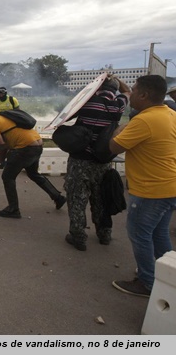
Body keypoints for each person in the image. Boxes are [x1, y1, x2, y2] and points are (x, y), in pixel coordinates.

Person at [109, 74, 176, 297]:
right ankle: (168, 276)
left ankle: (147, 282)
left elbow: (114, 148)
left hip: (151, 189)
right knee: (158, 233)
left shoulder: (143, 121)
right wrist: (121, 84)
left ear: (145, 95)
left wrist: (120, 129)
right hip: (170, 186)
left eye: (135, 91)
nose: (132, 94)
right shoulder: (169, 113)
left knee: (139, 233)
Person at [63, 76, 131, 251]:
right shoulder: (118, 105)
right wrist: (117, 79)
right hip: (103, 161)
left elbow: (67, 113)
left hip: (80, 159)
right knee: (101, 197)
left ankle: (78, 236)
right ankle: (104, 234)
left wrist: (96, 83)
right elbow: (127, 91)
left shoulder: (87, 102)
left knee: (77, 198)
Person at [0, 104, 66, 219]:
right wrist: (5, 155)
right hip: (37, 144)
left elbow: (1, 145)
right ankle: (57, 197)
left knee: (8, 177)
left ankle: (13, 209)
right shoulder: (6, 116)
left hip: (25, 148)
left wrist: (1, 159)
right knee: (33, 174)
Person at [0, 87, 20, 169]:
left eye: (2, 93)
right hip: (0, 126)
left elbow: (18, 112)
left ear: (5, 93)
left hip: (11, 126)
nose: (1, 95)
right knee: (1, 144)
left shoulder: (12, 100)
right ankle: (2, 161)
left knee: (11, 143)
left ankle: (10, 160)